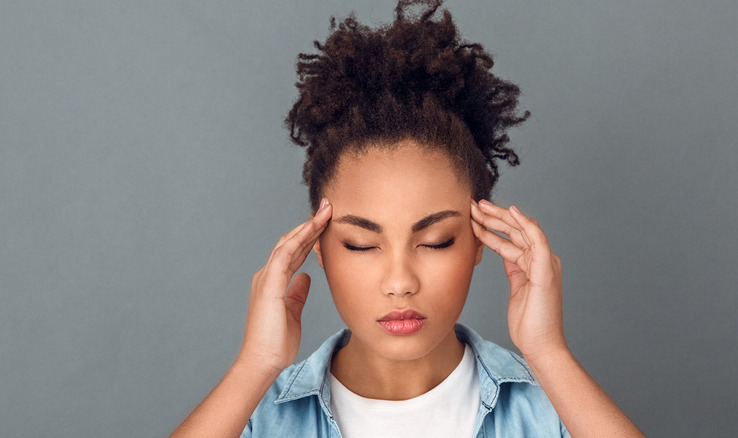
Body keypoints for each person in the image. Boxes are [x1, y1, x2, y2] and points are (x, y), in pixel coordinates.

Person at [171, 1, 645, 436]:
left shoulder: (549, 412)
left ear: (482, 240)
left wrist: (549, 354)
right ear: (315, 246)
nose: (400, 282)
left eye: (436, 241)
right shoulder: (256, 417)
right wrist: (254, 365)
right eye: (360, 244)